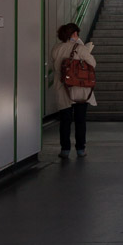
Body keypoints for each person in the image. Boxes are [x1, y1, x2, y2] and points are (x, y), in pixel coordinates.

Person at [50, 22, 97, 159]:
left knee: (65, 121)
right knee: (80, 120)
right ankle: (80, 149)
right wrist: (83, 48)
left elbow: (55, 68)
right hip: (81, 89)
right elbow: (93, 64)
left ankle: (65, 150)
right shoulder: (81, 48)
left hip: (63, 88)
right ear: (74, 34)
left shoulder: (56, 49)